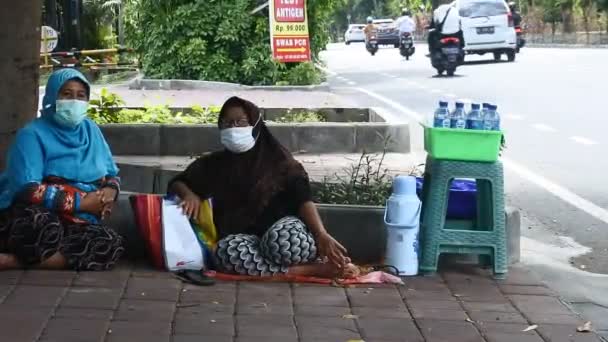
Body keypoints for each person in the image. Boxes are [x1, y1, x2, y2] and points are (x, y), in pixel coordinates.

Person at [168, 96, 359, 278]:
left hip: (285, 235)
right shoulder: (213, 164)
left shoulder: (282, 163)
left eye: (241, 122)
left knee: (281, 242)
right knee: (225, 252)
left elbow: (303, 200)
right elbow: (179, 181)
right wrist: (189, 194)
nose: (233, 128)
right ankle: (314, 270)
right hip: (246, 242)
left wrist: (321, 234)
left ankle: (306, 264)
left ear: (256, 125)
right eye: (227, 123)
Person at [0, 68, 124, 271]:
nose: (74, 101)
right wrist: (81, 203)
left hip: (78, 220)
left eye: (81, 95)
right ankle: (42, 257)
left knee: (109, 242)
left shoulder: (90, 130)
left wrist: (109, 193)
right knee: (43, 225)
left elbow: (112, 174)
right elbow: (27, 188)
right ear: (52, 96)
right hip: (31, 212)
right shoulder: (32, 134)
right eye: (66, 94)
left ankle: (12, 261)